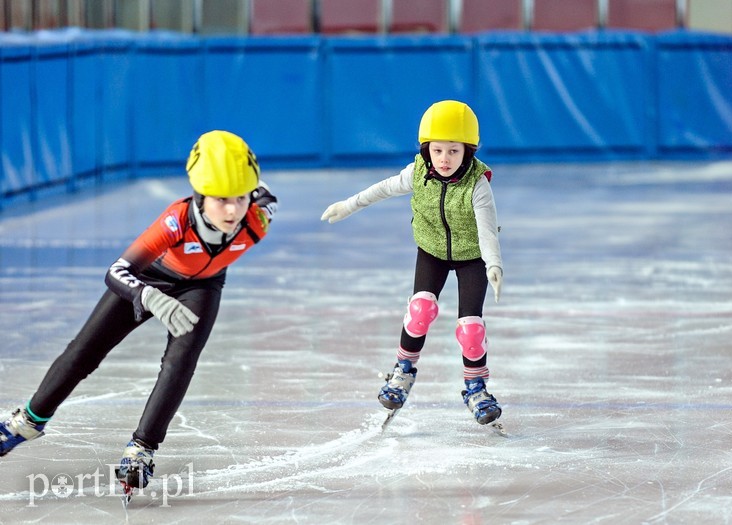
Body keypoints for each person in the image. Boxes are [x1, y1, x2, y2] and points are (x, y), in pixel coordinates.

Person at [0, 130, 278, 490]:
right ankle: (28, 422)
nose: (232, 210)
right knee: (84, 351)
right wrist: (148, 296)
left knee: (181, 362)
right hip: (148, 278)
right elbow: (116, 271)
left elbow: (262, 193)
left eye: (240, 198)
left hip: (201, 287)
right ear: (200, 194)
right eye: (221, 199)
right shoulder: (176, 222)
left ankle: (142, 449)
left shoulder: (260, 217)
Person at [321, 100, 504, 426]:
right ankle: (402, 372)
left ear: (468, 151)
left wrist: (494, 265)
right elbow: (381, 190)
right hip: (431, 251)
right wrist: (348, 206)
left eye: (453, 151)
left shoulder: (478, 184)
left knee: (471, 329)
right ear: (426, 150)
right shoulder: (417, 174)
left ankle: (476, 388)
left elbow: (487, 229)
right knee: (420, 310)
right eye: (437, 151)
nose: (445, 159)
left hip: (472, 257)